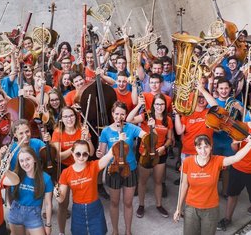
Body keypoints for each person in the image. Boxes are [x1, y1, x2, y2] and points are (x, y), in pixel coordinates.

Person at [173, 134, 251, 235]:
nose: (203, 151)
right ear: (195, 148)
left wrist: (250, 144)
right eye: (199, 147)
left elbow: (235, 158)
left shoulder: (217, 160)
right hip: (191, 208)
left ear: (211, 146)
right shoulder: (187, 162)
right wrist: (178, 208)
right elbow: (184, 185)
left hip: (210, 209)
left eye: (206, 147)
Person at [97, 101, 147, 235]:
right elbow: (101, 152)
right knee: (114, 202)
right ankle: (115, 231)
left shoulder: (131, 128)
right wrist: (99, 153)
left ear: (125, 115)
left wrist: (150, 131)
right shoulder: (106, 131)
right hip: (113, 170)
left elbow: (145, 135)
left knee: (128, 202)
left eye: (122, 114)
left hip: (130, 169)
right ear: (112, 114)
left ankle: (128, 231)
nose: (119, 116)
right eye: (117, 113)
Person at [126, 94, 173, 218]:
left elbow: (169, 139)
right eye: (157, 104)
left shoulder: (168, 119)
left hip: (160, 153)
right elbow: (128, 120)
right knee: (143, 181)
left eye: (162, 104)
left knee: (158, 181)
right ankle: (141, 205)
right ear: (153, 105)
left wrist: (164, 147)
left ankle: (159, 205)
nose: (159, 107)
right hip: (145, 153)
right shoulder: (146, 116)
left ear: (165, 105)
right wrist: (139, 106)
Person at [55, 139, 114, 235]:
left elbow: (109, 155)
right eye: (78, 154)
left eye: (85, 154)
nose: (81, 157)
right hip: (78, 211)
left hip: (95, 208)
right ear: (72, 153)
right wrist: (57, 194)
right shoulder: (66, 173)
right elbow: (61, 199)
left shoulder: (94, 166)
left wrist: (119, 139)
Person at [51, 106, 93, 235]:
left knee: (84, 202)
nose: (69, 119)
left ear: (76, 116)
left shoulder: (83, 129)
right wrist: (76, 146)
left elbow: (90, 152)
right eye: (65, 116)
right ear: (61, 119)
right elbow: (59, 157)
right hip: (65, 169)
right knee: (63, 204)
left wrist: (86, 140)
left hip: (82, 168)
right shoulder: (58, 132)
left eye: (71, 115)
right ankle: (62, 232)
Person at [9, 147, 53, 235]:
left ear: (35, 159)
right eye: (21, 161)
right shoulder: (16, 175)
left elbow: (48, 204)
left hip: (34, 214)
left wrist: (48, 225)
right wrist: (5, 170)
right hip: (16, 212)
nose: (25, 163)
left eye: (28, 159)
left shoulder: (46, 178)